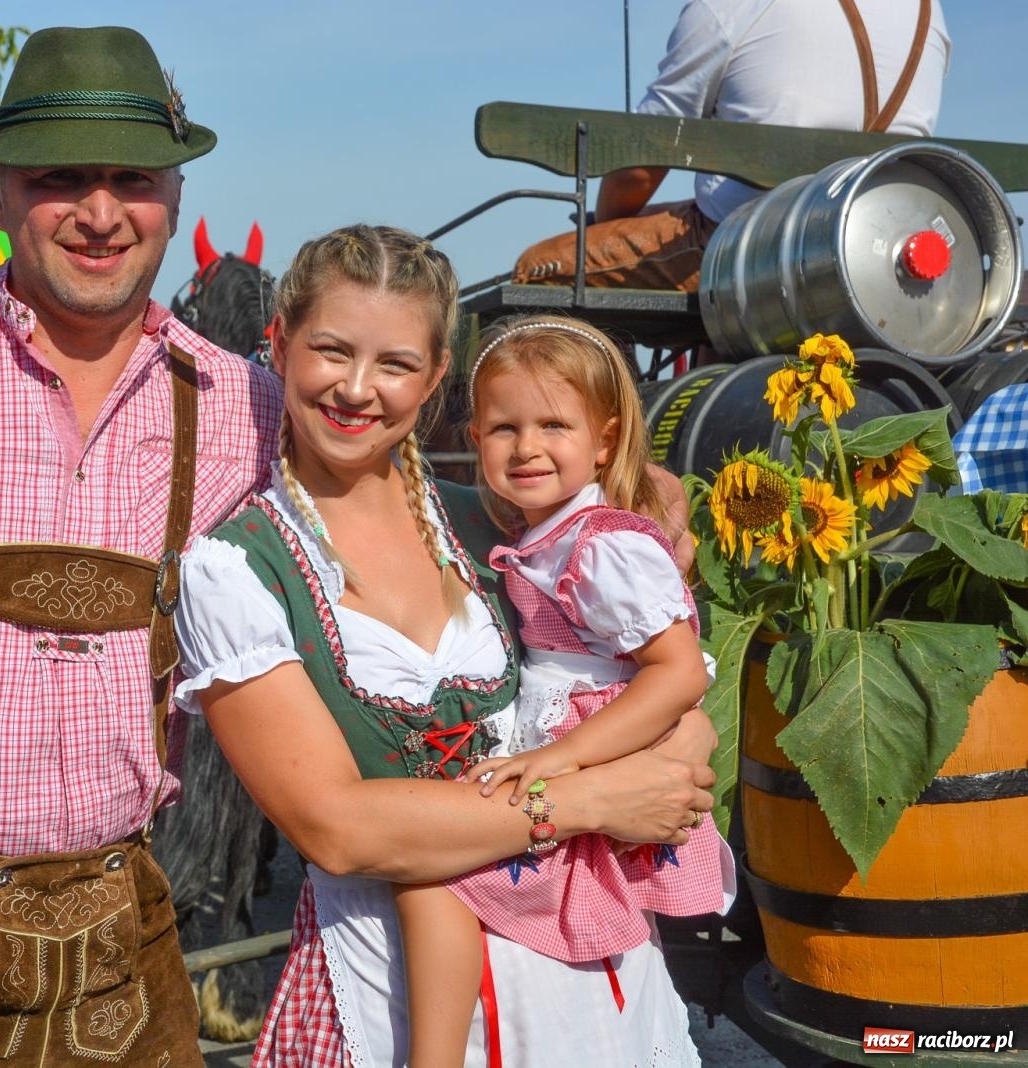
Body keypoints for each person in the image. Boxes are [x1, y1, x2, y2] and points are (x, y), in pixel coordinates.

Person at [0, 28, 714, 1064]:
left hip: (118, 925)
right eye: (57, 179)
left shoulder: (244, 400)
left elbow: (414, 439)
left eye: (131, 178)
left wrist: (619, 489)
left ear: (175, 191)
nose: (98, 210)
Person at [174, 226, 721, 1067]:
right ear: (278, 344)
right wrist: (595, 799)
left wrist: (680, 748)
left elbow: (654, 670)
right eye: (330, 351)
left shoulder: (504, 527)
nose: (357, 390)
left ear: (435, 381)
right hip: (392, 983)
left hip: (586, 971)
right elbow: (338, 829)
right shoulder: (238, 570)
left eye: (395, 364)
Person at [391, 315, 736, 1067]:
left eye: (555, 424)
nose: (528, 447)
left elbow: (676, 669)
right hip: (570, 741)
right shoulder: (551, 533)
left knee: (435, 878)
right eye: (505, 428)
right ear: (476, 435)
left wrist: (569, 757)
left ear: (604, 441)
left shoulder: (602, 544)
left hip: (594, 749)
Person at [512, 0, 949, 292]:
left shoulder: (732, 6)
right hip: (882, 240)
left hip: (753, 243)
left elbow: (640, 163)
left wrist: (603, 225)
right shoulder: (928, 13)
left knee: (538, 269)